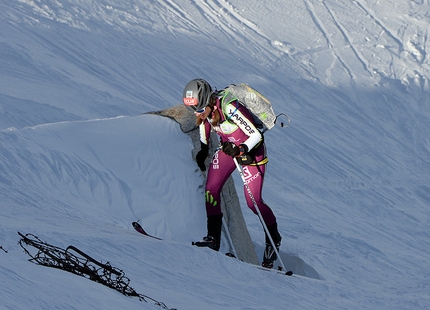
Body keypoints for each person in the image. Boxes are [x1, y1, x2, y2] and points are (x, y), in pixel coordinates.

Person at [182, 78, 282, 268]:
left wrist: (241, 149)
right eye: (192, 110)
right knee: (211, 189)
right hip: (229, 149)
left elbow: (256, 136)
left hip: (251, 151)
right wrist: (204, 149)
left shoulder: (228, 106)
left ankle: (274, 238)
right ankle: (213, 238)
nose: (197, 114)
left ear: (206, 100)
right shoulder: (207, 111)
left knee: (253, 202)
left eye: (199, 109)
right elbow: (204, 123)